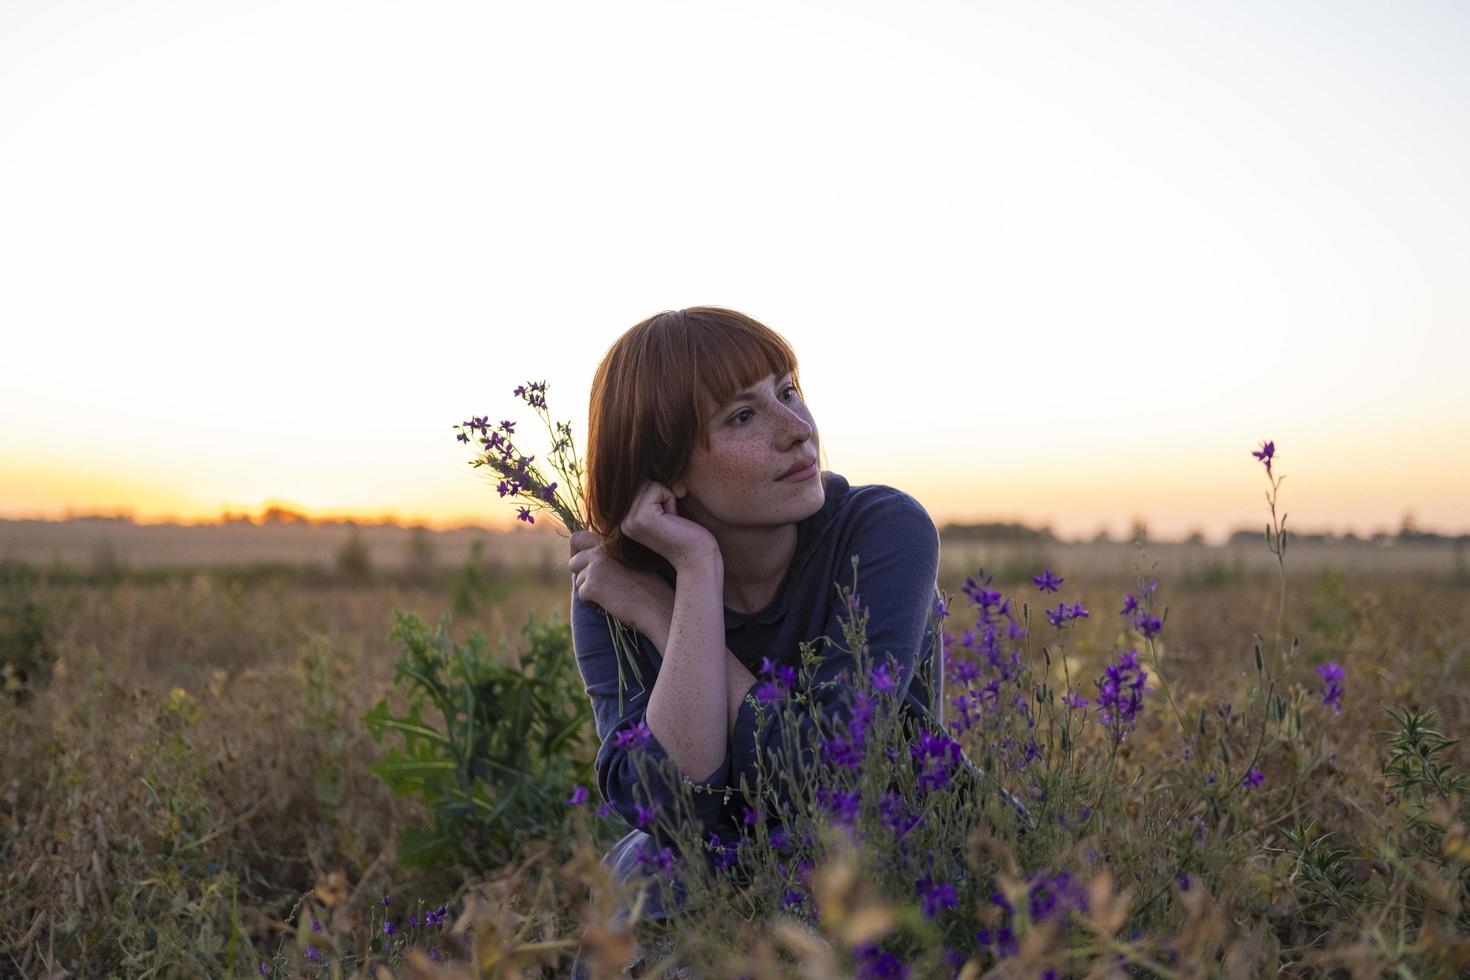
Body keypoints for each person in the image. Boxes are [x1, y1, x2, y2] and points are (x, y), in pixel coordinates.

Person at [565, 307, 947, 978]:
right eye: (742, 417)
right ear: (666, 470)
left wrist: (665, 615)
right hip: (700, 870)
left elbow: (831, 781)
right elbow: (668, 807)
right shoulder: (617, 587)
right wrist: (695, 574)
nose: (798, 431)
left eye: (789, 392)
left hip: (888, 854)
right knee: (648, 911)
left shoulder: (881, 533)